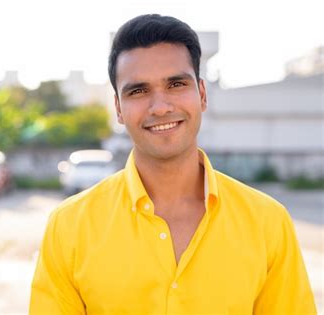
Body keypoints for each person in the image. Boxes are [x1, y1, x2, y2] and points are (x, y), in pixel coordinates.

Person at [29, 14, 316, 314]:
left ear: (202, 94)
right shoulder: (69, 227)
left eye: (176, 84)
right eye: (138, 90)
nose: (161, 106)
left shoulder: (268, 222)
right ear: (118, 108)